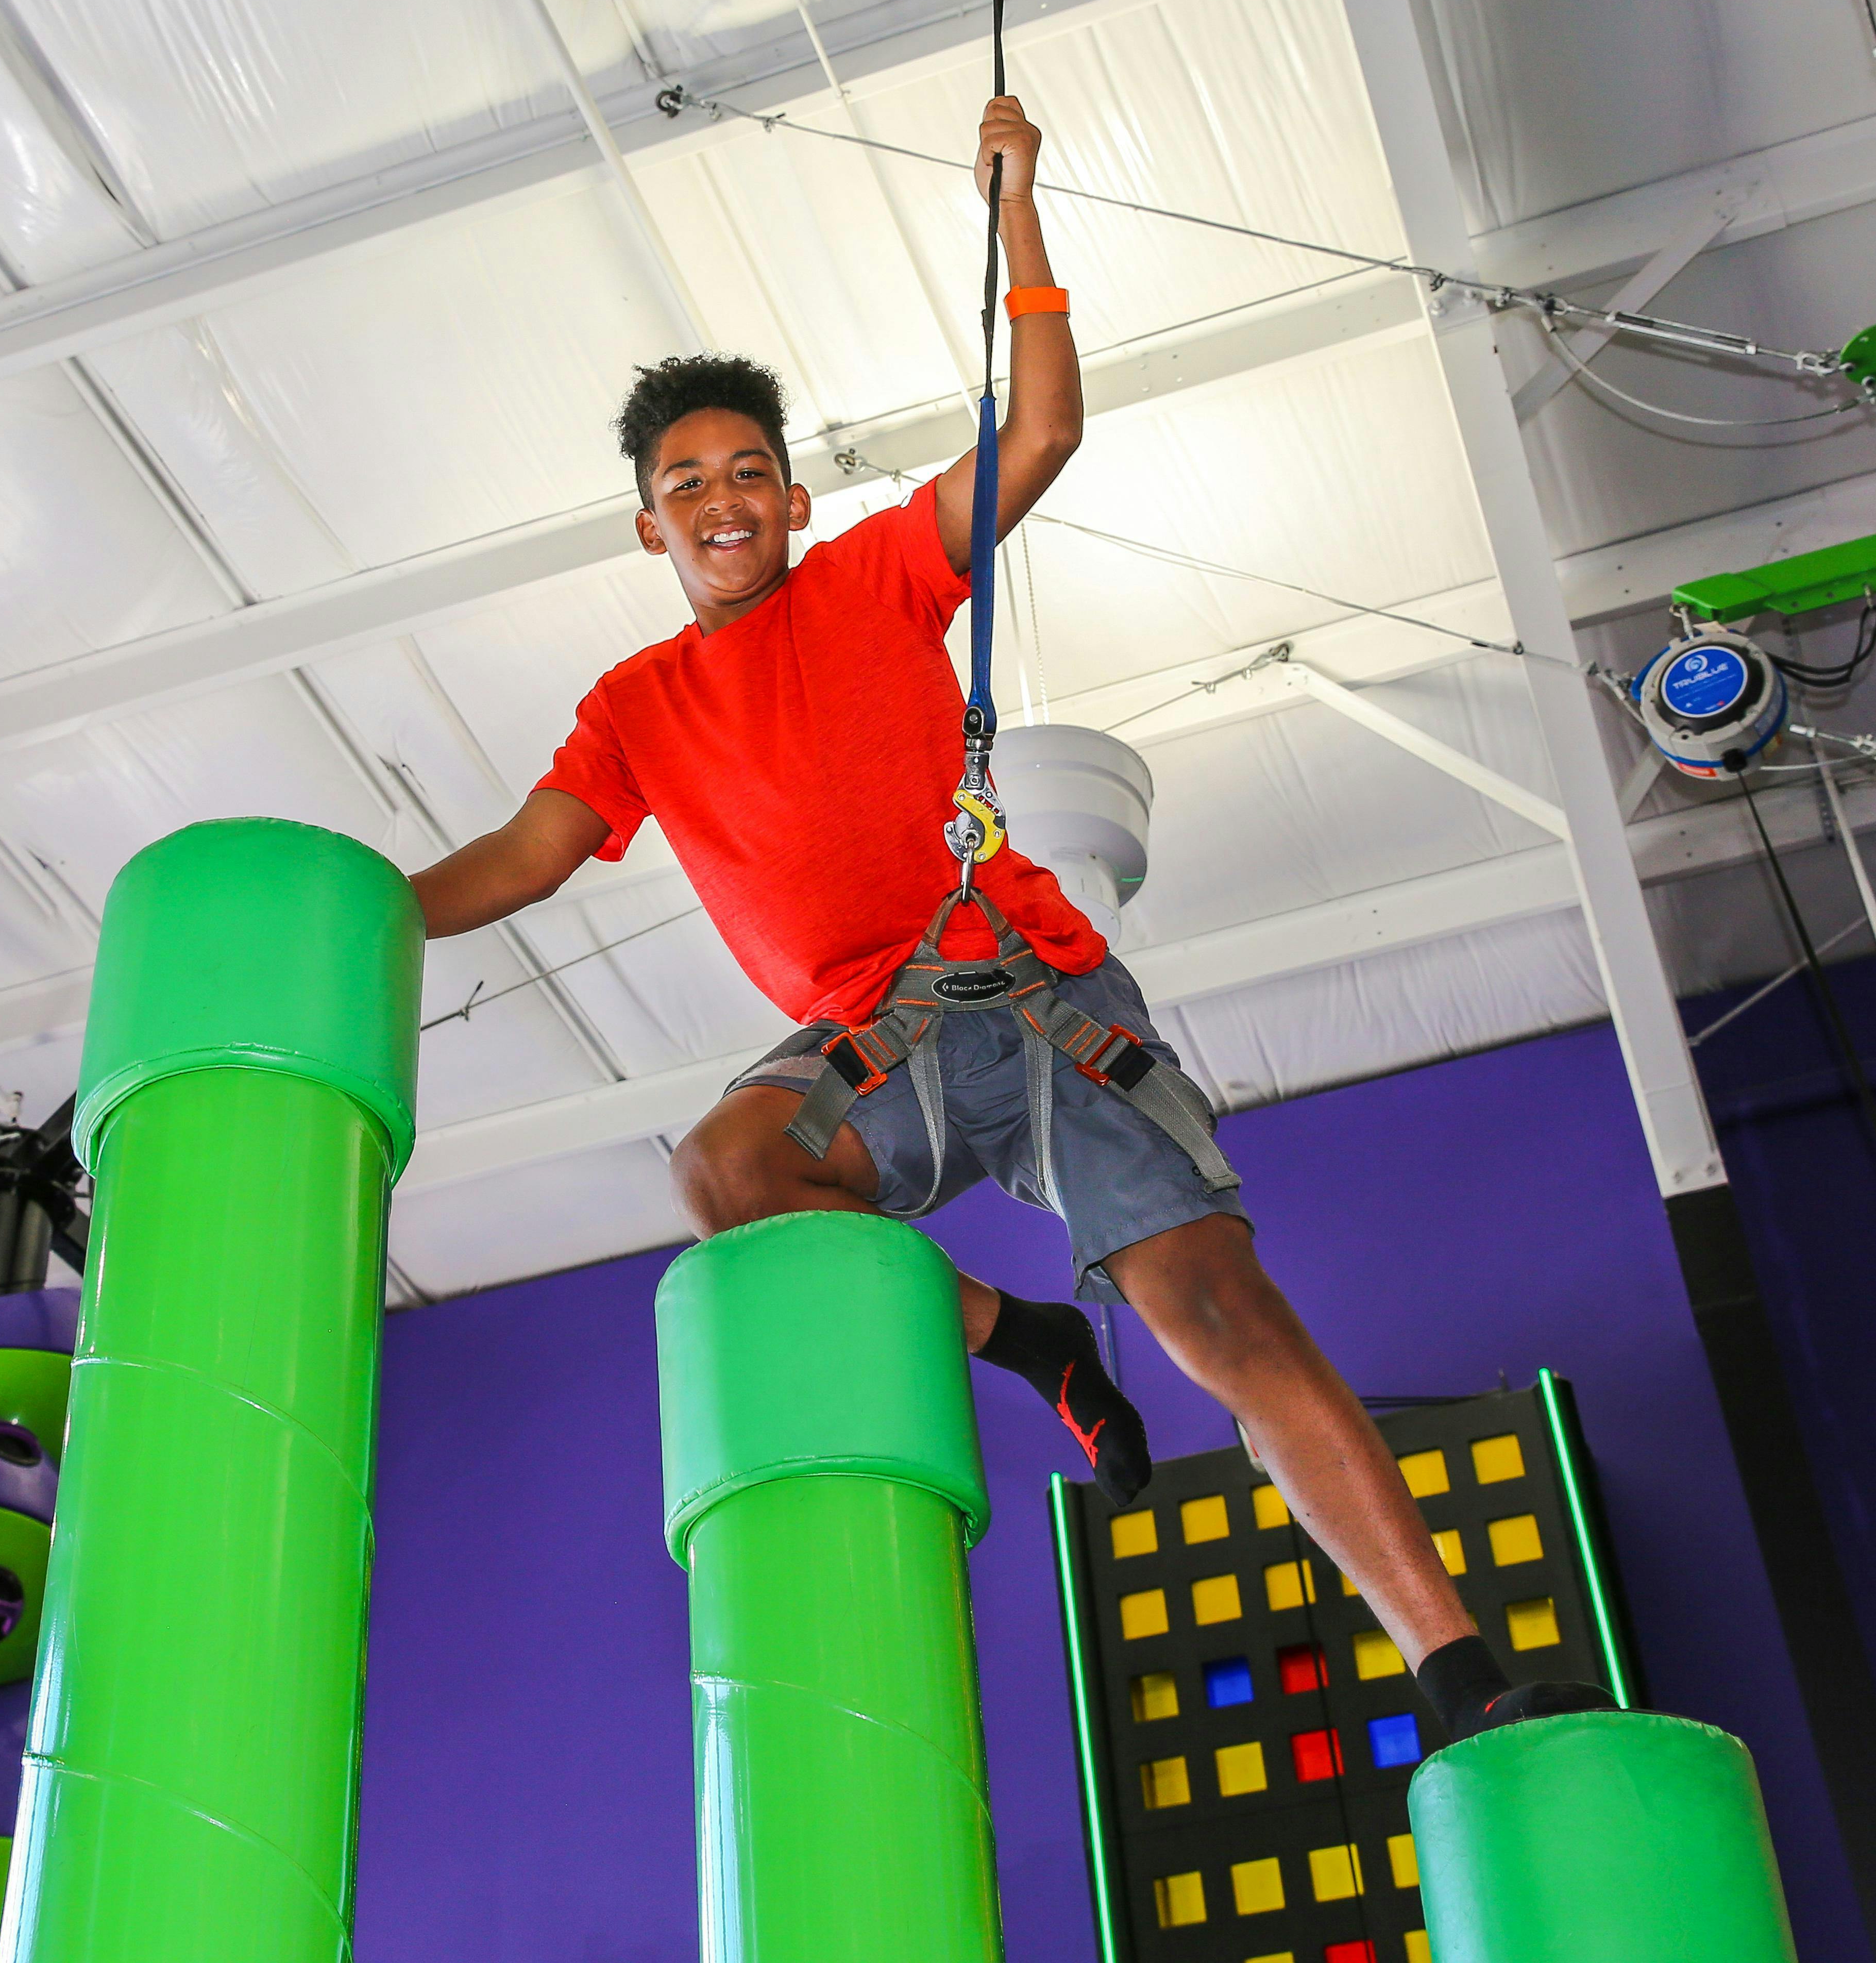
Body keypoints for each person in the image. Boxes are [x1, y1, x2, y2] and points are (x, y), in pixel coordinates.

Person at [410, 95, 1604, 1739]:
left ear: (793, 500)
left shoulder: (883, 571)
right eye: (686, 481)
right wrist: (368, 920)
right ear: (649, 523)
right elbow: (529, 858)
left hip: (1039, 994)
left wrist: (1019, 211)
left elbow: (1040, 435)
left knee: (1221, 1315)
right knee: (724, 1172)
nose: (724, 497)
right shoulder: (634, 705)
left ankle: (1456, 1668)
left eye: (750, 470)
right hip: (868, 1040)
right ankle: (1015, 1332)